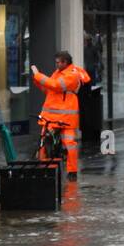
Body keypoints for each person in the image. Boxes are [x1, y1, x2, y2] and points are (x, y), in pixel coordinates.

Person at [31, 51, 83, 180]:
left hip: (66, 118)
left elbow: (55, 85)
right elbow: (49, 89)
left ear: (65, 62)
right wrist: (37, 80)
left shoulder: (72, 75)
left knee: (69, 143)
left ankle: (72, 171)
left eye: (58, 62)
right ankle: (46, 170)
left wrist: (38, 76)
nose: (57, 65)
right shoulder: (58, 73)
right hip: (52, 116)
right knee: (44, 142)